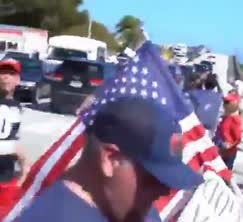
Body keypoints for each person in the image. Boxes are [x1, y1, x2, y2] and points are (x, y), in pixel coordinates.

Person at [15, 97, 203, 222]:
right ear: (110, 159)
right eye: (153, 178)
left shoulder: (135, 209)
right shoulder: (49, 216)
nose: (164, 191)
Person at [0, 59, 29, 214]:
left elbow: (13, 137)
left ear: (17, 80)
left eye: (11, 73)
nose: (6, 77)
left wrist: (24, 164)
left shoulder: (16, 106)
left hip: (6, 173)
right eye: (3, 72)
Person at [188, 74, 223, 139]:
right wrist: (216, 83)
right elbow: (221, 91)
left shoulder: (196, 93)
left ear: (204, 84)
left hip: (198, 125)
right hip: (211, 127)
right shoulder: (218, 96)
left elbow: (190, 91)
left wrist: (200, 81)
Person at [214, 93, 242, 170]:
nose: (224, 104)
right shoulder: (226, 117)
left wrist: (228, 146)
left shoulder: (235, 119)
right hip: (219, 149)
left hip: (227, 153)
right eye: (224, 102)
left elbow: (238, 138)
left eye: (227, 102)